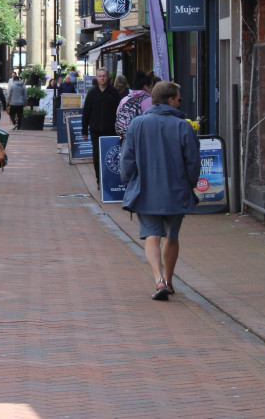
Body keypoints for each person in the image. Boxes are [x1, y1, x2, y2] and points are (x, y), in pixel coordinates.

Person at [120, 81, 201, 301]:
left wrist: (130, 182)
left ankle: (158, 279)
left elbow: (126, 159)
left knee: (151, 236)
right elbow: (193, 161)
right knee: (172, 236)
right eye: (179, 99)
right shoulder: (183, 126)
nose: (180, 103)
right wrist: (190, 184)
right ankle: (169, 279)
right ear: (171, 100)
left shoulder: (137, 124)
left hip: (145, 189)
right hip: (176, 190)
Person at [82, 68, 121, 185]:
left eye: (104, 76)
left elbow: (119, 112)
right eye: (100, 76)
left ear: (108, 77)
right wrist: (84, 130)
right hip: (96, 130)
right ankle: (99, 179)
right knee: (97, 155)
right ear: (97, 78)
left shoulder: (114, 92)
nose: (102, 78)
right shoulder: (92, 92)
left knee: (110, 156)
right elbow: (86, 112)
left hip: (111, 130)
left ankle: (109, 179)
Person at [115, 70, 154, 141]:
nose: (152, 89)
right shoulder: (151, 101)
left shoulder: (124, 100)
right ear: (146, 87)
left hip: (127, 138)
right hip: (145, 138)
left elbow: (118, 115)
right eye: (151, 87)